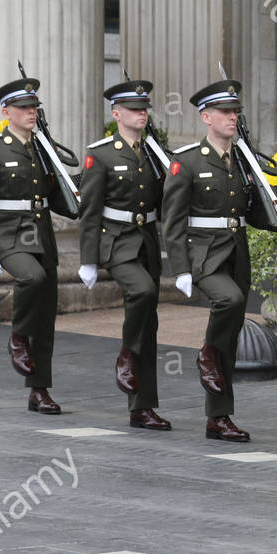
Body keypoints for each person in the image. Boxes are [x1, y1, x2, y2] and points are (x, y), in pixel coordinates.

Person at [162, 79, 273, 442]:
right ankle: (206, 354)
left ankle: (218, 417)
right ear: (206, 117)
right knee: (230, 301)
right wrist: (179, 267)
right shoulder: (188, 161)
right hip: (204, 252)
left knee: (232, 331)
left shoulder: (244, 161)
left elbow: (251, 213)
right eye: (225, 112)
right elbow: (174, 218)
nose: (232, 117)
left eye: (236, 112)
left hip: (236, 250)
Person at [0, 76, 74, 414]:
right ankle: (17, 338)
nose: (31, 112)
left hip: (41, 236)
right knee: (32, 279)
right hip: (9, 234)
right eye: (24, 107)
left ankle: (39, 390)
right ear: (6, 111)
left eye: (34, 107)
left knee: (45, 317)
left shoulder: (43, 149)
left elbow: (56, 198)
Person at [77, 79, 171, 430]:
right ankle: (126, 355)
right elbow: (89, 211)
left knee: (149, 322)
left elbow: (165, 203)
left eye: (144, 108)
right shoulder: (100, 154)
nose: (141, 113)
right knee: (142, 292)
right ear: (117, 113)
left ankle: (142, 407)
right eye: (134, 109)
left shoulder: (154, 153)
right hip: (116, 242)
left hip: (146, 240)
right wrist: (88, 260)